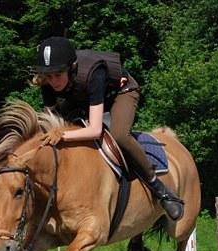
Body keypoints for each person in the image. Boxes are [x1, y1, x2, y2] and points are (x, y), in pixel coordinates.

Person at [32, 36, 183, 221]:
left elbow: (95, 130)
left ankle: (159, 189)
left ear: (71, 68)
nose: (54, 81)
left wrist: (61, 134)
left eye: (58, 75)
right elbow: (50, 122)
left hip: (121, 92)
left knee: (119, 135)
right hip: (83, 97)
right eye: (49, 76)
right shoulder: (48, 82)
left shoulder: (94, 73)